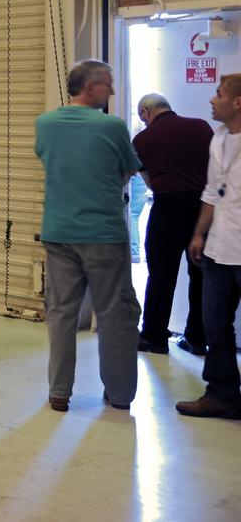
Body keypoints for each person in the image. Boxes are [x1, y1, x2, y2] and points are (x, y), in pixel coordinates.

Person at [34, 59, 142, 412]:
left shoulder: (46, 124)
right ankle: (120, 394)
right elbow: (128, 171)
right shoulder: (113, 127)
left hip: (58, 231)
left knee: (61, 313)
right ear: (90, 87)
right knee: (114, 313)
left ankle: (59, 392)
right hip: (103, 234)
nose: (111, 90)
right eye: (108, 84)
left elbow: (50, 161)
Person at [176, 73, 241, 419]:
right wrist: (199, 234)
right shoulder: (217, 139)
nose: (212, 100)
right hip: (218, 248)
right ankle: (222, 394)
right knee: (215, 324)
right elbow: (210, 193)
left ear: (237, 102)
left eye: (218, 94)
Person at [132, 93, 213, 355]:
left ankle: (154, 337)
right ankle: (198, 339)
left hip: (167, 210)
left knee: (161, 276)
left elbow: (150, 182)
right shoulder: (201, 127)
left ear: (145, 111)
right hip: (203, 209)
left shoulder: (143, 139)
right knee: (200, 275)